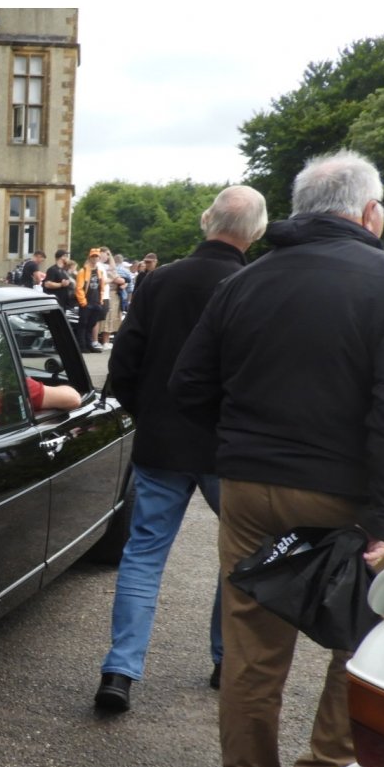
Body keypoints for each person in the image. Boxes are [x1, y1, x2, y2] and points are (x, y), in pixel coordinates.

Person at [170, 150, 384, 767]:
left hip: (251, 489)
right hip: (348, 492)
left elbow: (188, 389)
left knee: (252, 645)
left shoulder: (247, 282)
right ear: (369, 212)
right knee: (379, 626)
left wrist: (237, 451)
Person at [93, 186, 268, 714]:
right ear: (256, 232)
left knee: (143, 556)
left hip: (163, 439)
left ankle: (120, 671)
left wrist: (145, 414)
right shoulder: (256, 286)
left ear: (205, 220)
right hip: (228, 447)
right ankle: (224, 660)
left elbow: (125, 362)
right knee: (239, 556)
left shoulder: (160, 280)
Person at [73, 249, 106, 352]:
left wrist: (100, 301)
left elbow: (101, 287)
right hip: (86, 303)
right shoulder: (83, 271)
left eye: (96, 256)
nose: (95, 258)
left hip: (96, 302)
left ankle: (89, 344)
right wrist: (83, 302)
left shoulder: (100, 272)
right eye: (93, 256)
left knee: (91, 325)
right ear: (89, 257)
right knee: (83, 324)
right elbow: (79, 288)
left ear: (99, 258)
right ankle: (82, 346)